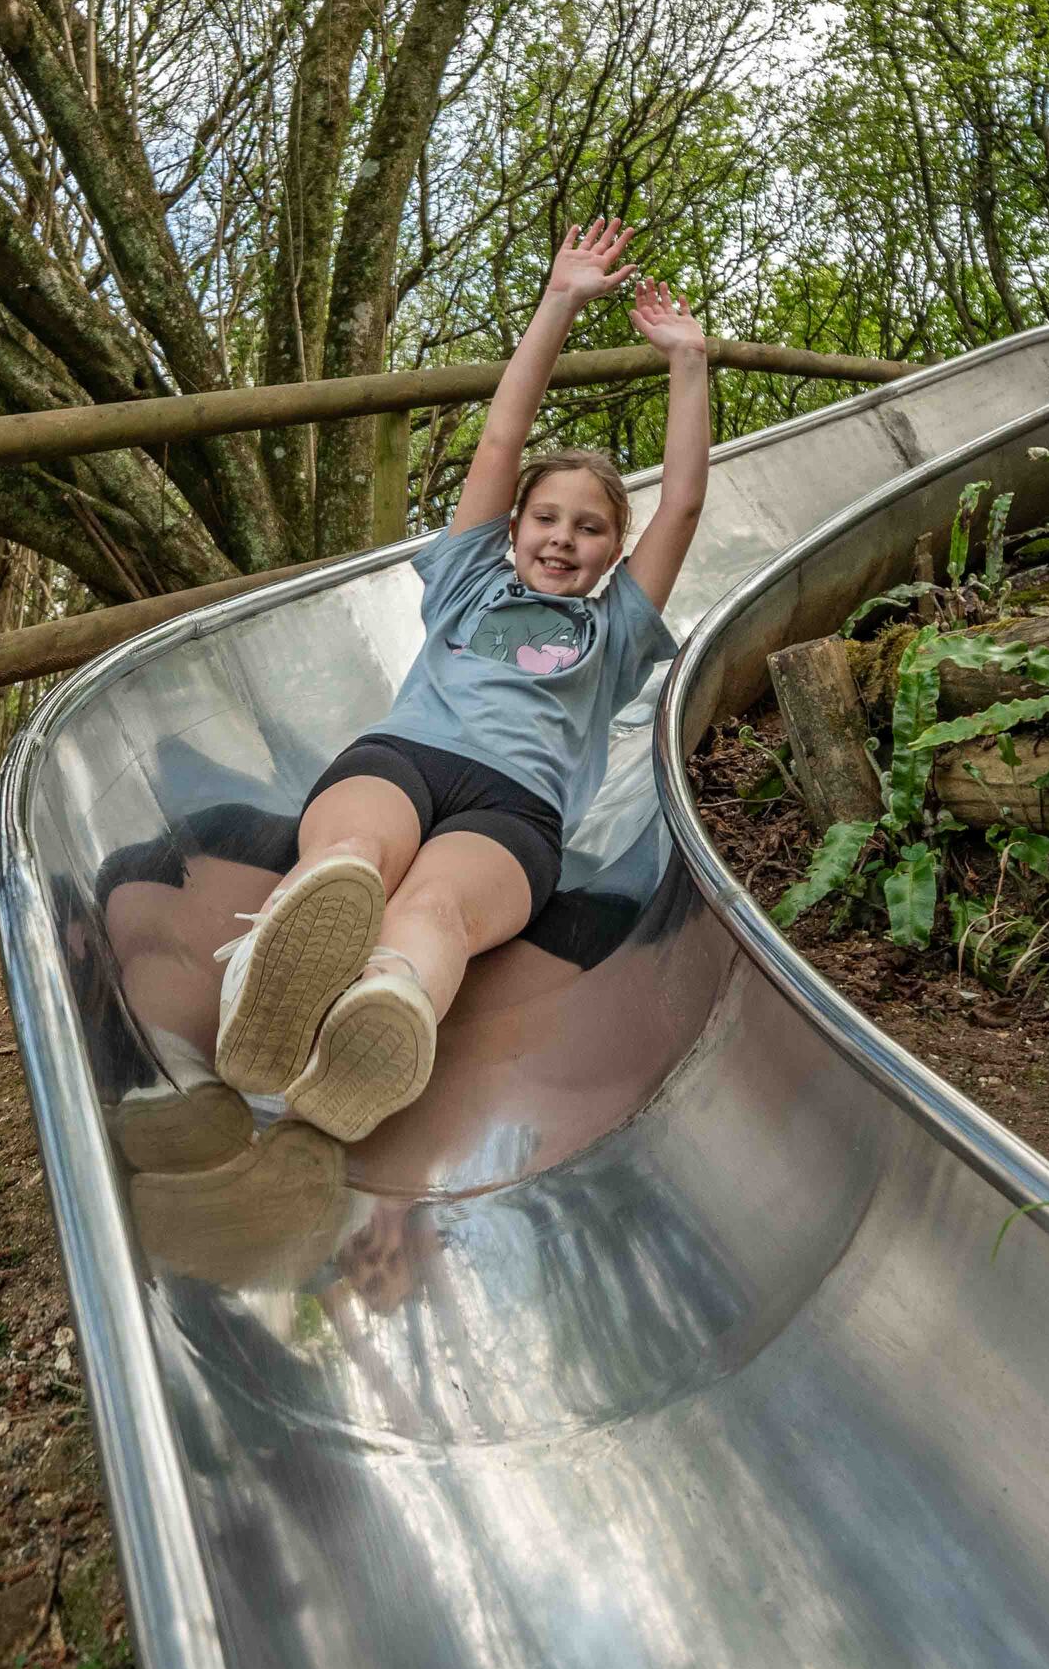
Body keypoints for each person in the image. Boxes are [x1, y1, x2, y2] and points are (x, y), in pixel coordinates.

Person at [212, 216, 711, 1140]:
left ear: (611, 550)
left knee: (433, 910)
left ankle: (385, 1017)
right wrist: (559, 299)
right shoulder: (466, 576)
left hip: (516, 812)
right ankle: (265, 987)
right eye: (546, 518)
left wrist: (687, 361)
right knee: (350, 865)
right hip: (402, 758)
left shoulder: (620, 626)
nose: (562, 537)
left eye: (588, 528)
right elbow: (499, 439)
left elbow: (680, 500)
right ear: (513, 527)